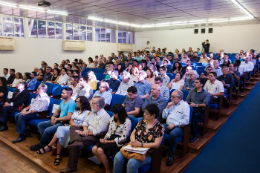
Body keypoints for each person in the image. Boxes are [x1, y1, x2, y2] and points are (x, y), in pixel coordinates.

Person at [60, 97, 111, 173]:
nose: (91, 104)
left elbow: (98, 131)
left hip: (95, 137)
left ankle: (71, 167)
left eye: (92, 103)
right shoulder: (93, 112)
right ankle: (77, 142)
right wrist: (85, 130)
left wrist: (85, 133)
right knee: (73, 127)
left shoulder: (104, 116)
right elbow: (85, 122)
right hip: (87, 132)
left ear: (97, 106)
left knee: (75, 144)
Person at [35, 96, 91, 165]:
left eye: (77, 101)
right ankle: (57, 154)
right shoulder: (76, 110)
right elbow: (71, 120)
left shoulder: (88, 112)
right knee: (60, 133)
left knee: (60, 129)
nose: (76, 102)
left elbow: (85, 124)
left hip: (78, 129)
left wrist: (74, 126)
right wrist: (72, 124)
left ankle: (50, 147)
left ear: (81, 103)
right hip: (71, 126)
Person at [113, 103, 165, 173]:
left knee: (132, 163)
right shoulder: (141, 122)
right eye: (144, 112)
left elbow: (157, 144)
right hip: (134, 147)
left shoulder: (159, 127)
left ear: (153, 115)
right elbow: (133, 133)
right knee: (117, 157)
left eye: (147, 113)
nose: (144, 114)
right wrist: (133, 140)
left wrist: (140, 144)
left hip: (148, 152)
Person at [29, 87, 76, 152]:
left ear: (68, 94)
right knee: (40, 125)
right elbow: (58, 110)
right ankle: (47, 143)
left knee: (47, 130)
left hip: (63, 123)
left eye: (63, 93)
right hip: (58, 120)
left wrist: (56, 119)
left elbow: (68, 117)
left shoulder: (72, 103)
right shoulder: (63, 101)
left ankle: (40, 145)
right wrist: (53, 117)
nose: (61, 94)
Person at [92, 104, 132, 173]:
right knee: (94, 149)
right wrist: (105, 138)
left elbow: (124, 137)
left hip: (119, 141)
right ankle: (107, 166)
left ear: (120, 113)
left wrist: (108, 142)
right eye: (113, 113)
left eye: (115, 114)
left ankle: (107, 170)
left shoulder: (127, 121)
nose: (114, 115)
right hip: (111, 137)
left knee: (100, 150)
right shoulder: (113, 119)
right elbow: (109, 132)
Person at [162, 90, 190, 166]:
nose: (171, 98)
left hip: (179, 127)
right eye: (171, 96)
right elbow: (163, 116)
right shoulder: (171, 104)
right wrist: (167, 108)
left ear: (179, 98)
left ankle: (171, 156)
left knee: (173, 134)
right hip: (168, 124)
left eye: (173, 97)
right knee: (157, 128)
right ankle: (161, 150)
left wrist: (174, 124)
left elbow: (186, 120)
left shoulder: (184, 105)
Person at [186, 78, 210, 143]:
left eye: (196, 82)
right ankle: (184, 133)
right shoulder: (192, 91)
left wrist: (196, 105)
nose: (194, 83)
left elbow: (205, 104)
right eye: (195, 82)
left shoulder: (206, 93)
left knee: (194, 116)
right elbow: (187, 100)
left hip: (200, 110)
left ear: (201, 84)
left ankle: (195, 135)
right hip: (191, 108)